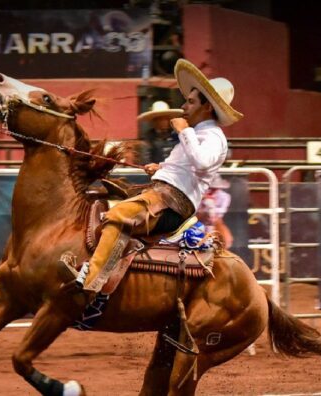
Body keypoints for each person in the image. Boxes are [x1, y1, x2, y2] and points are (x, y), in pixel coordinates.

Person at [77, 58, 243, 292]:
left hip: (172, 202)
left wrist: (184, 131)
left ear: (207, 107)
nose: (184, 107)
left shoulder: (213, 137)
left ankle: (93, 280)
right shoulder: (199, 134)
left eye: (190, 102)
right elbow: (185, 167)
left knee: (118, 214)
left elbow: (202, 162)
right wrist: (160, 168)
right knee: (107, 202)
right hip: (164, 196)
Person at [197, 175, 233, 249]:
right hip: (199, 219)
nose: (211, 190)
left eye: (214, 188)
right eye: (210, 188)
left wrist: (212, 210)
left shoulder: (225, 196)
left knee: (225, 238)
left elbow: (223, 210)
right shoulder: (198, 195)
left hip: (216, 219)